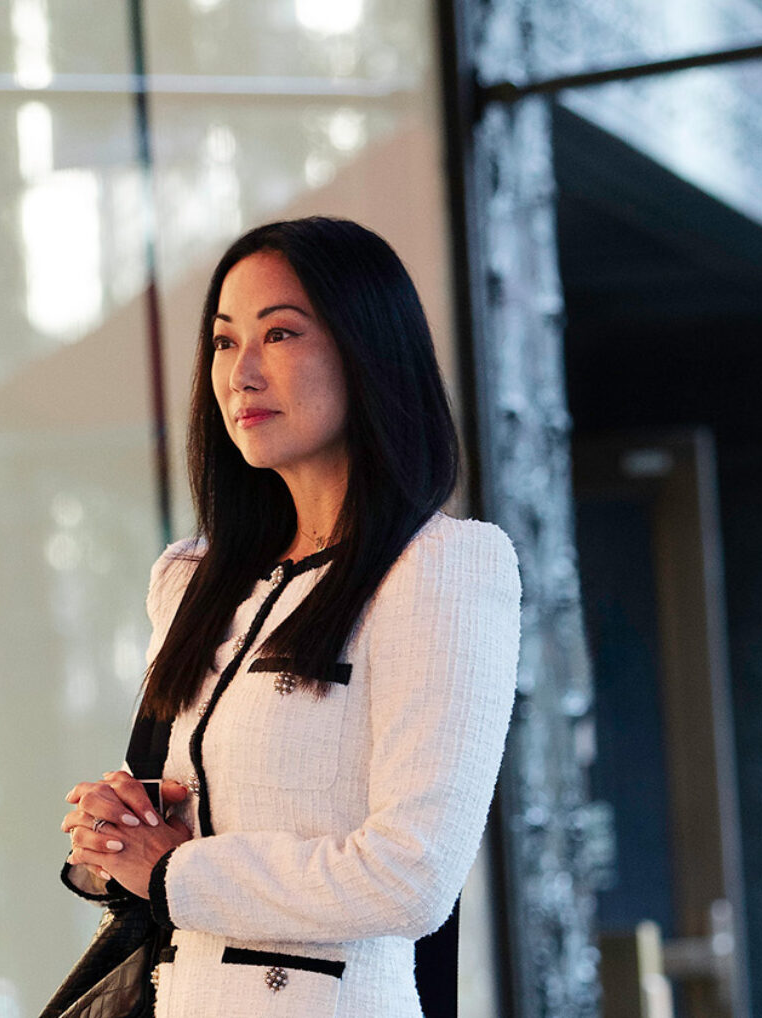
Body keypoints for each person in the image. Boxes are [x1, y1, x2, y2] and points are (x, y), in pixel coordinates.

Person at [56, 216, 521, 1017]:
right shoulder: (191, 578)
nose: (242, 373)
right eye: (224, 342)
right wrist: (111, 839)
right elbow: (174, 825)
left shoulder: (440, 567)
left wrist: (174, 874)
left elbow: (412, 878)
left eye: (280, 334)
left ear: (365, 349)